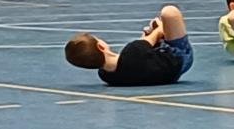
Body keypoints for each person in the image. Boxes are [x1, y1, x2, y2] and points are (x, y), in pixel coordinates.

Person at [64, 5, 193, 87]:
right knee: (169, 12)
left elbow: (142, 54)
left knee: (150, 32)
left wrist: (148, 37)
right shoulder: (132, 52)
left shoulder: (106, 76)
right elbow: (157, 33)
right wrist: (158, 27)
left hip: (166, 75)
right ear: (101, 47)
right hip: (178, 58)